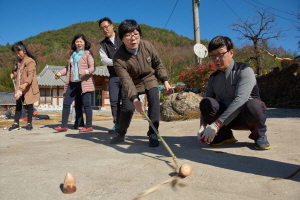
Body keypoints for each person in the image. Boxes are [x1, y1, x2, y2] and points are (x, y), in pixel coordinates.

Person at [197, 36, 269, 150]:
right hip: (226, 119)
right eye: (213, 55)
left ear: (231, 52)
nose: (216, 59)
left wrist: (216, 125)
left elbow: (240, 100)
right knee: (206, 102)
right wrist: (202, 125)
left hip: (246, 116)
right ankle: (225, 135)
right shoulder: (213, 78)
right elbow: (206, 103)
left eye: (220, 54)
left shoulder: (245, 70)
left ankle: (259, 134)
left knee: (253, 106)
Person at [110, 19, 173, 147]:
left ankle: (153, 132)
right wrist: (135, 100)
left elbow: (158, 64)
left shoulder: (147, 46)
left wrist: (165, 81)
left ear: (140, 34)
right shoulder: (118, 57)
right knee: (128, 108)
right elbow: (126, 81)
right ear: (121, 39)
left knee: (155, 102)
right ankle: (120, 133)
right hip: (132, 82)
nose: (133, 39)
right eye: (128, 35)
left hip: (150, 78)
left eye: (135, 34)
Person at [53, 34, 95, 132]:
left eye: (81, 41)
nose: (79, 43)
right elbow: (67, 68)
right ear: (74, 43)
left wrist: (86, 71)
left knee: (86, 104)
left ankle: (89, 126)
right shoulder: (72, 54)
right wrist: (59, 73)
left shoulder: (88, 53)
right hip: (72, 83)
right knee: (67, 103)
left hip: (84, 82)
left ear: (84, 43)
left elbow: (93, 68)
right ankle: (63, 125)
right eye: (77, 41)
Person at [98, 17, 125, 134]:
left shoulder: (123, 37)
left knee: (125, 100)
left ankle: (124, 123)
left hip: (126, 74)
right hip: (113, 75)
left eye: (106, 26)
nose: (105, 29)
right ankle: (117, 124)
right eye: (102, 28)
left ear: (112, 26)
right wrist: (117, 61)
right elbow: (104, 59)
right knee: (114, 100)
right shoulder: (103, 44)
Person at [8, 41, 40, 131]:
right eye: (16, 53)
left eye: (19, 52)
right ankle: (16, 123)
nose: (18, 55)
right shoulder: (18, 61)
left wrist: (25, 83)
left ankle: (29, 123)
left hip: (28, 86)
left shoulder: (30, 61)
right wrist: (12, 74)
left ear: (24, 51)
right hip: (19, 86)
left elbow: (31, 75)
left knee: (29, 105)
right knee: (18, 104)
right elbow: (15, 70)